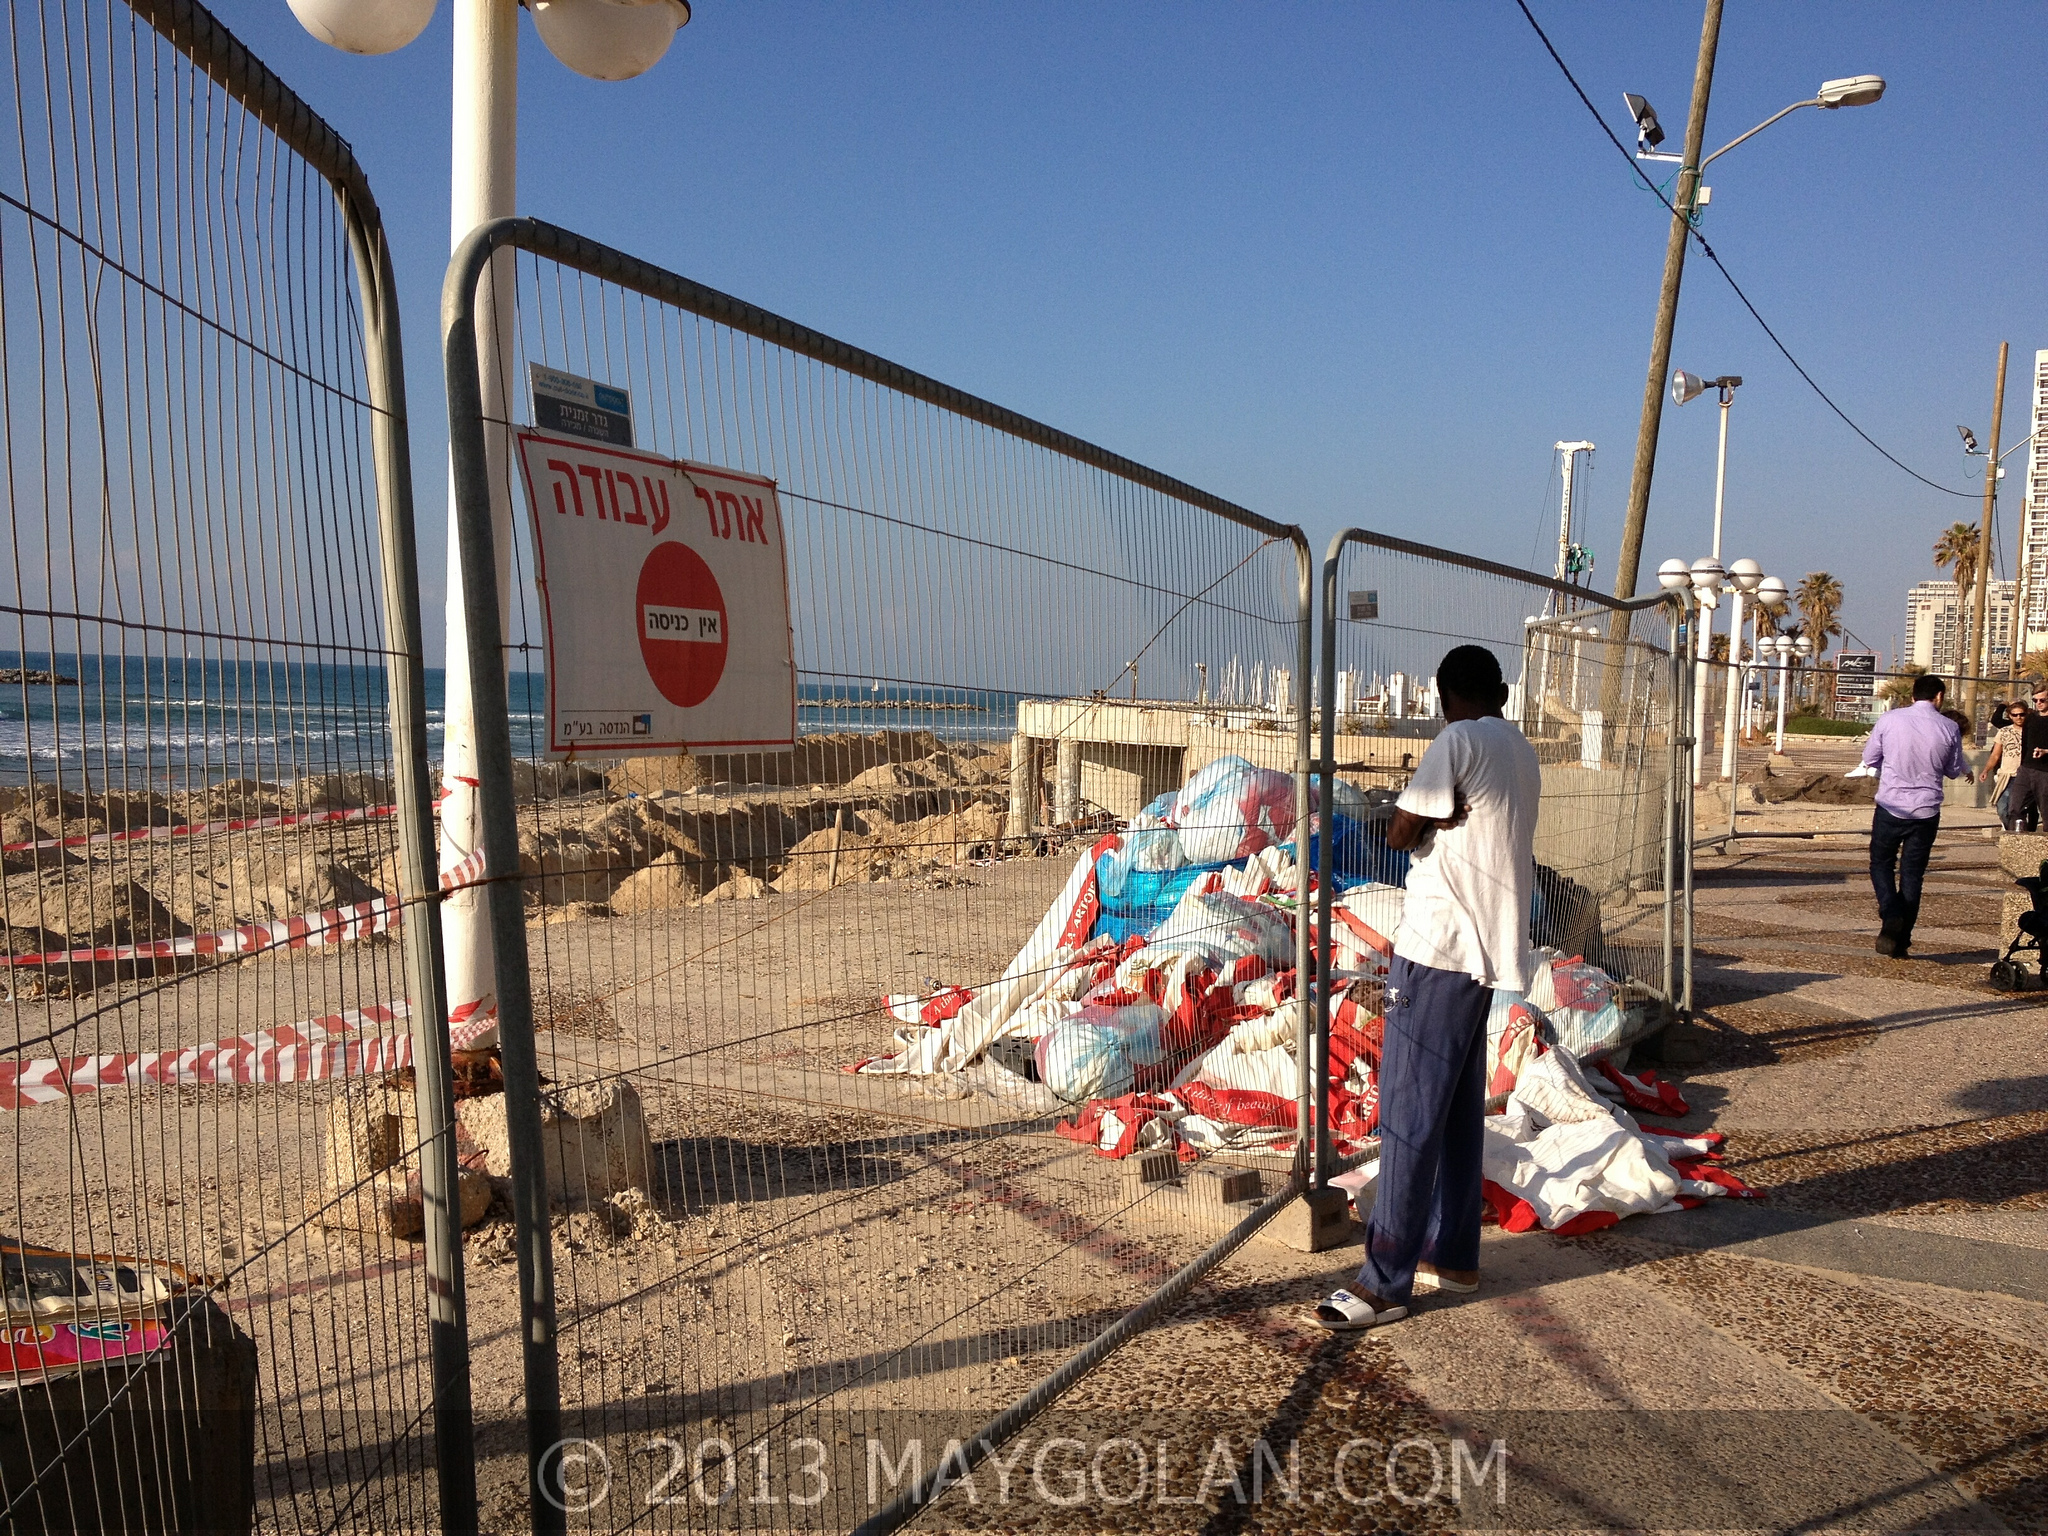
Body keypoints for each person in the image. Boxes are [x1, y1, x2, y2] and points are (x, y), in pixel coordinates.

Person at [1314, 644, 1540, 1331]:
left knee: (1410, 1117)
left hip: (1438, 949)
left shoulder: (1457, 739)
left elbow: (1400, 830)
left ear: (1445, 696)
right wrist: (1436, 818)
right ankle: (1457, 1257)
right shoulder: (1518, 748)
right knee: (1458, 1114)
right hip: (1485, 955)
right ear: (1498, 691)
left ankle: (1385, 1282)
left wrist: (1418, 818)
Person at [1861, 673, 1972, 959]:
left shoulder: (1889, 720)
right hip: (1925, 811)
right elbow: (1952, 769)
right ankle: (1901, 940)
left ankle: (1890, 912)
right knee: (1912, 874)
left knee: (1881, 863)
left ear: (1912, 696)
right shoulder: (1949, 727)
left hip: (1890, 806)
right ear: (1939, 697)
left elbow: (1870, 757)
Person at [1987, 698, 2031, 831]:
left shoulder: (2033, 729)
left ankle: (2019, 834)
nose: (2019, 717)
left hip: (2025, 775)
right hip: (2006, 775)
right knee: (2003, 809)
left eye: (2022, 714)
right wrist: (1986, 770)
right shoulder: (2004, 730)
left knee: (2017, 809)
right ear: (2010, 716)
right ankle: (2013, 832)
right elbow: (1995, 754)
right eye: (2015, 715)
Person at [2009, 684, 2048, 832]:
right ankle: (2018, 843)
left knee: (2046, 811)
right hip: (2026, 768)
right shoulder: (2031, 718)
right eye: (2035, 700)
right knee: (2015, 807)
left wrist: (2045, 751)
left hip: (2045, 772)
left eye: (2042, 700)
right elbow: (2025, 744)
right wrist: (2022, 765)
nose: (2038, 703)